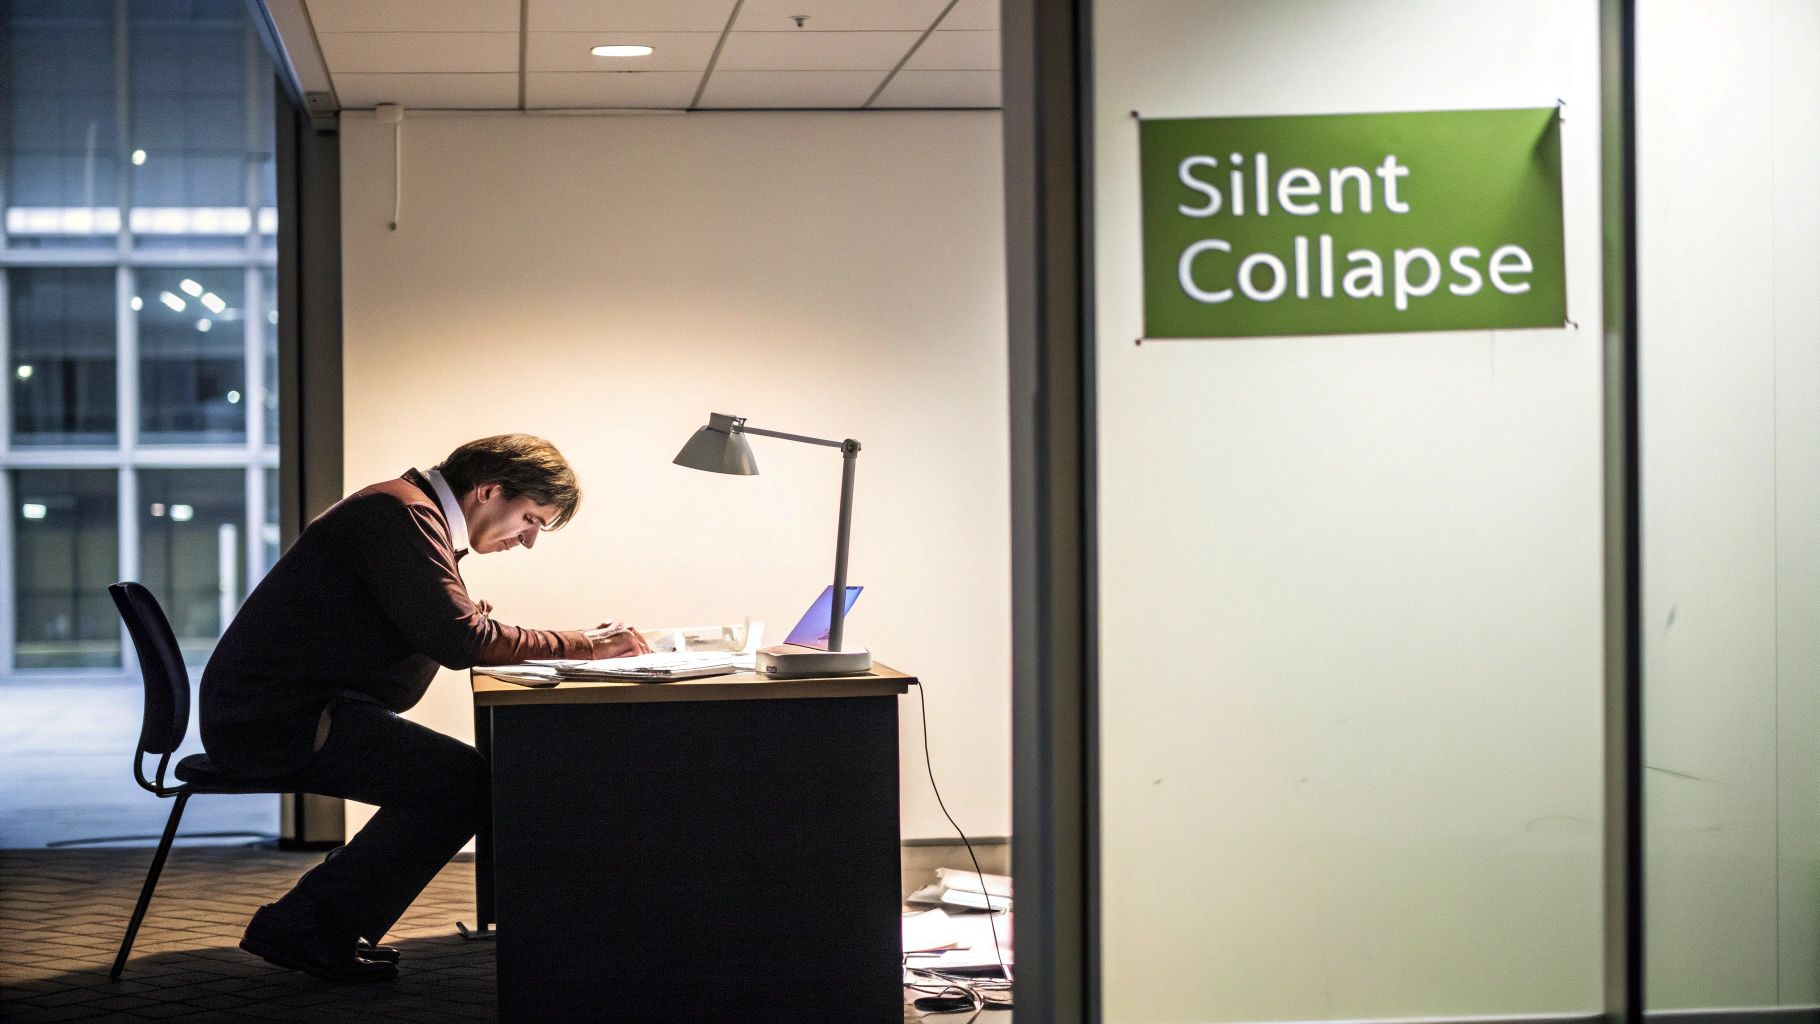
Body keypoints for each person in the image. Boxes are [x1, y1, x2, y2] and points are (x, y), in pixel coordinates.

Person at [199, 434, 648, 983]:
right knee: (460, 783)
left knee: (457, 780)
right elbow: (463, 642)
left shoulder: (406, 509)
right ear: (488, 491)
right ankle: (306, 925)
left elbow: (444, 631)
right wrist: (586, 643)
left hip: (291, 708)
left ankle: (313, 921)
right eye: (531, 519)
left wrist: (456, 622)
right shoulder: (400, 514)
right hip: (278, 722)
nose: (528, 540)